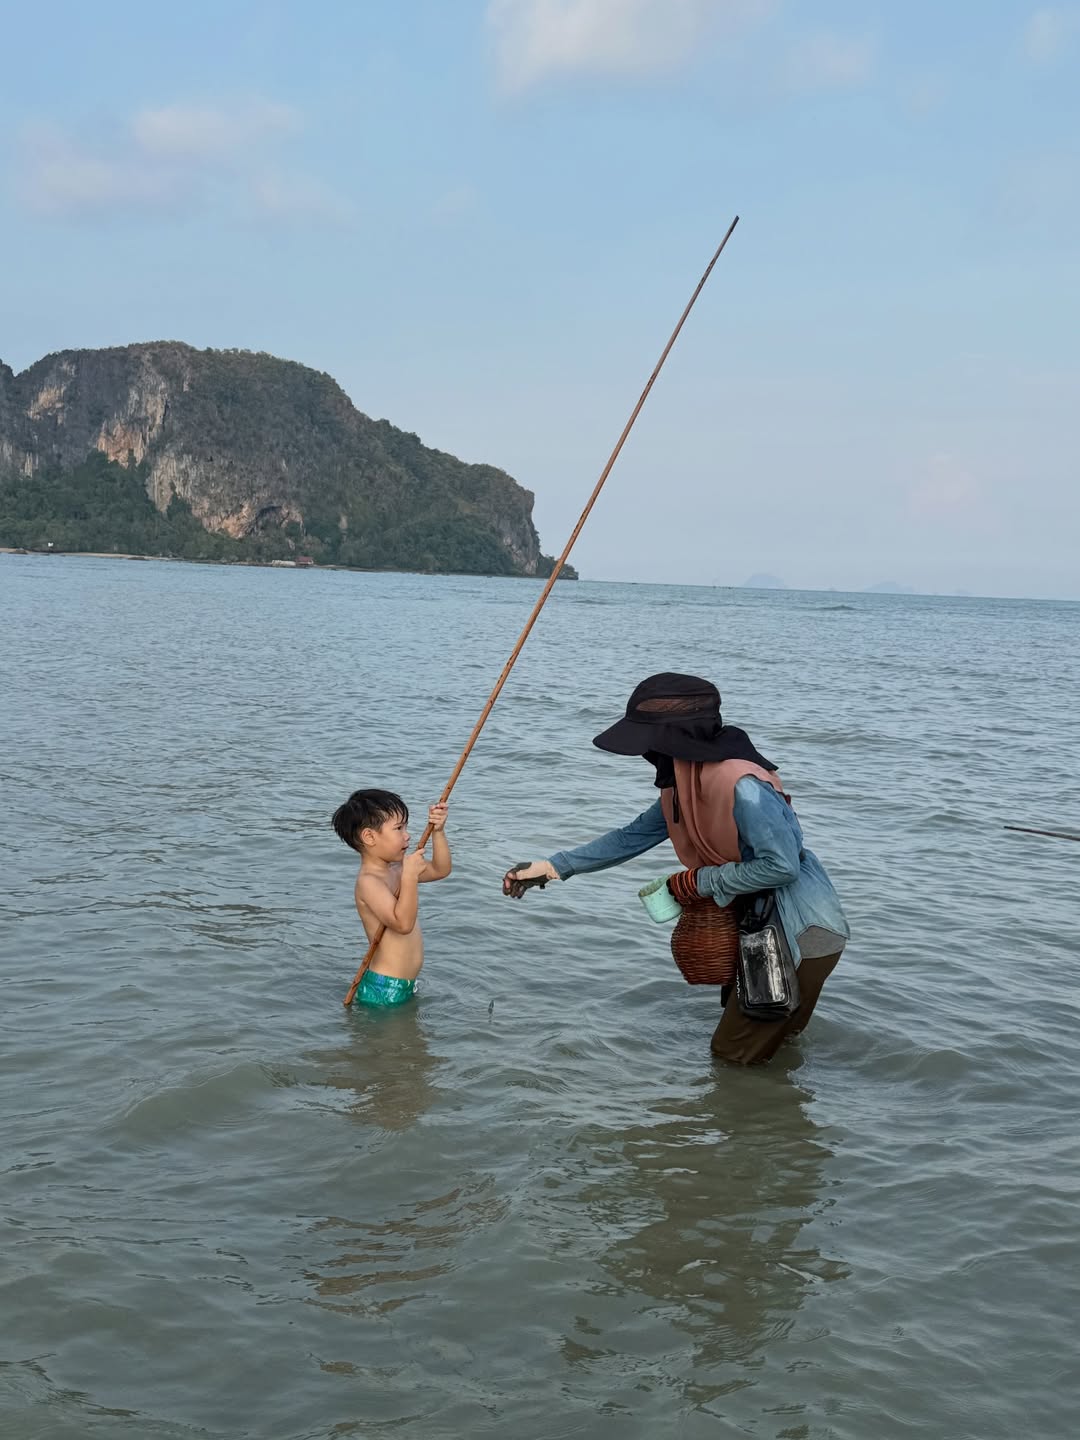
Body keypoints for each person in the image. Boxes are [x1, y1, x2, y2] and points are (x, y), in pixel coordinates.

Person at [502, 674, 849, 1064]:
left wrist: (700, 880)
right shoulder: (683, 782)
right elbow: (631, 837)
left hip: (801, 934)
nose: (647, 753)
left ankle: (745, 1119)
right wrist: (550, 868)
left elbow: (781, 866)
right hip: (756, 926)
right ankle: (775, 1116)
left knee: (732, 1055)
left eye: (650, 741)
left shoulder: (744, 788)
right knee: (770, 1049)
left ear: (676, 737)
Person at [331, 789, 451, 1007]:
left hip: (404, 985)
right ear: (369, 837)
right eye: (398, 828)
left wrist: (438, 832)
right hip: (384, 989)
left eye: (405, 827)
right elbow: (403, 923)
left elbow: (440, 870)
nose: (407, 835)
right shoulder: (369, 882)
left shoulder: (397, 868)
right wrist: (409, 876)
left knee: (413, 1041)